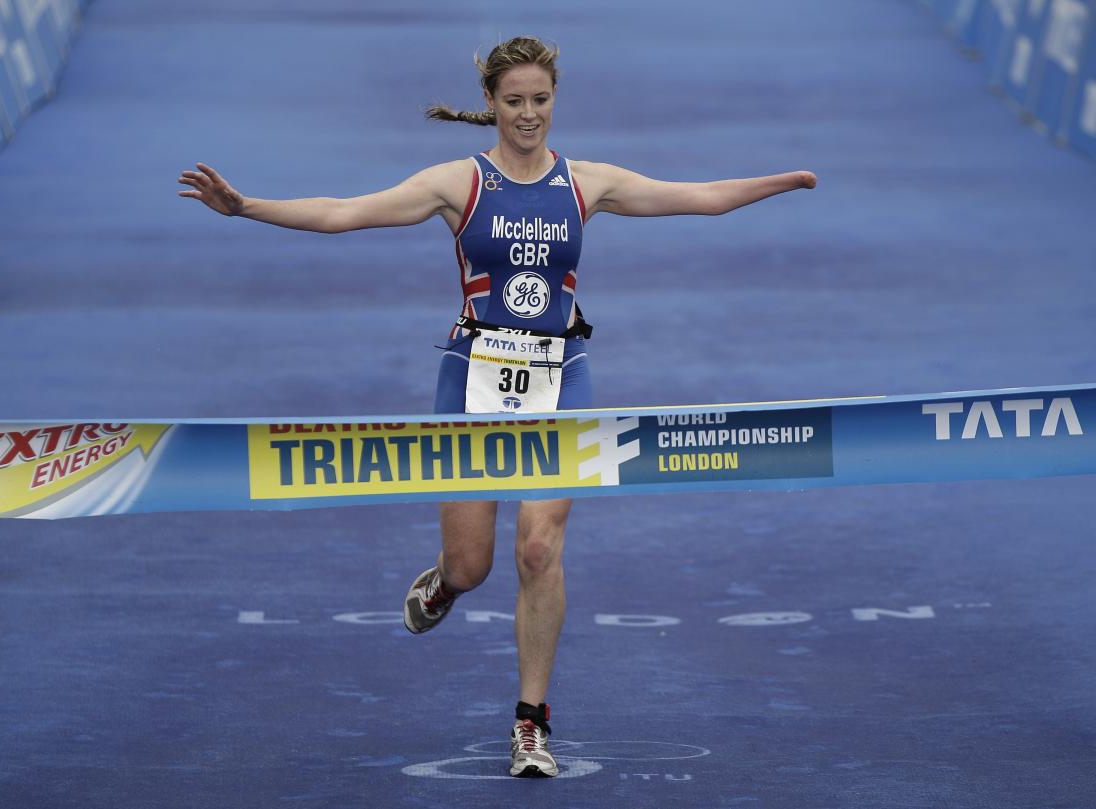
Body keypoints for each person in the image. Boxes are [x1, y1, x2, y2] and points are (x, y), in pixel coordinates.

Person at [178, 35, 816, 778]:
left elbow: (697, 198)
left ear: (555, 100)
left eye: (540, 101)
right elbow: (344, 213)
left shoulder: (587, 182)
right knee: (475, 564)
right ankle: (443, 579)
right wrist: (246, 206)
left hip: (562, 375)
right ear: (489, 104)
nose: (528, 116)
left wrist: (784, 180)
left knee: (539, 548)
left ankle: (530, 723)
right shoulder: (458, 183)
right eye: (513, 102)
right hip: (472, 376)